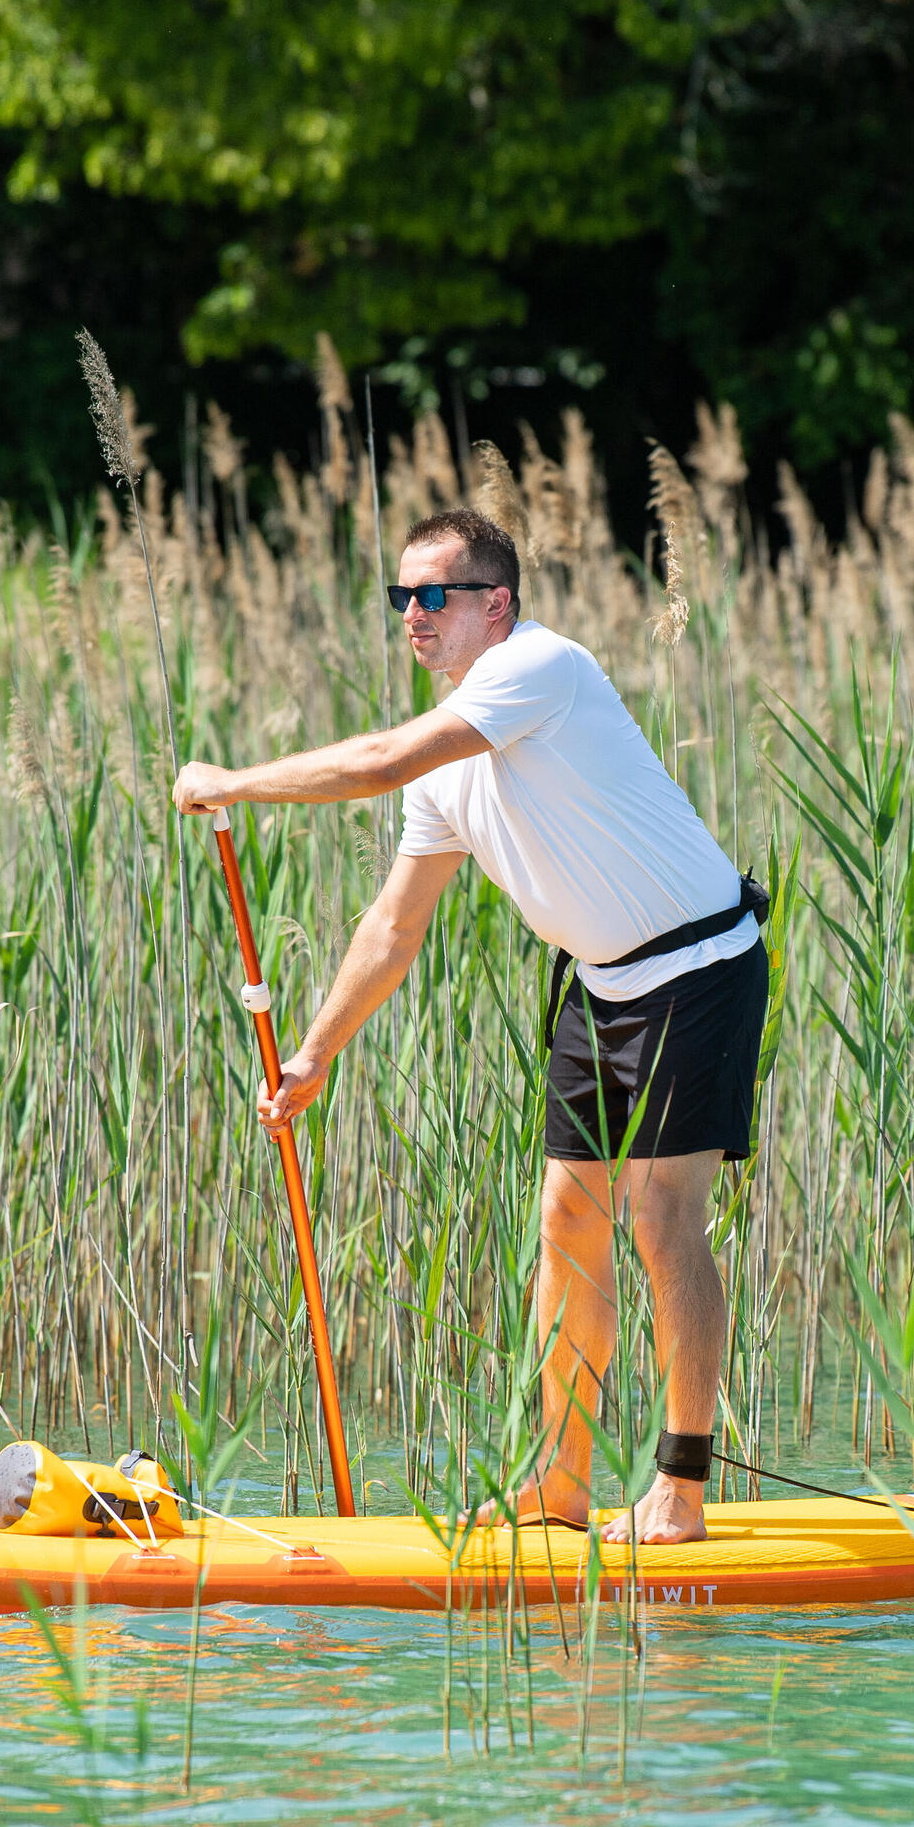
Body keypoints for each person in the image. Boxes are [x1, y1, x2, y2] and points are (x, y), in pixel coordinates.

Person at [169, 508, 766, 1544]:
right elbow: (394, 924)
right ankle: (561, 1484)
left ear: (497, 602)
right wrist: (314, 1053)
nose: (413, 613)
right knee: (567, 1224)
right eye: (400, 595)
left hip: (697, 969)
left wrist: (235, 783)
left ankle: (680, 1488)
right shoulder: (453, 761)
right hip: (594, 982)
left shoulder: (541, 666)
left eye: (434, 594)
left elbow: (381, 757)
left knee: (662, 1221)